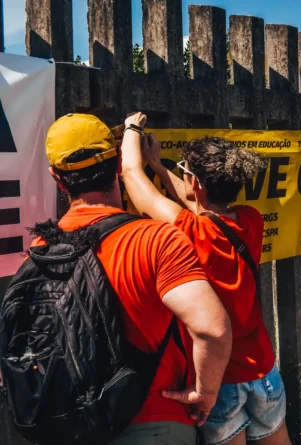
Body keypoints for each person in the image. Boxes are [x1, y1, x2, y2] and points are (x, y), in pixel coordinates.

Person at [40, 114, 233, 444]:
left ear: (57, 178)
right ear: (117, 166)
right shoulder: (156, 239)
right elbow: (212, 329)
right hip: (155, 419)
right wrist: (206, 392)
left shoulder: (42, 246)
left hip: (74, 422)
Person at [119, 112, 291, 445]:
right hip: (263, 371)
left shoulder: (191, 230)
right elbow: (196, 203)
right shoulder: (251, 221)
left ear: (195, 183)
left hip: (219, 380)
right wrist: (159, 167)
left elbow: (130, 173)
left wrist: (131, 129)